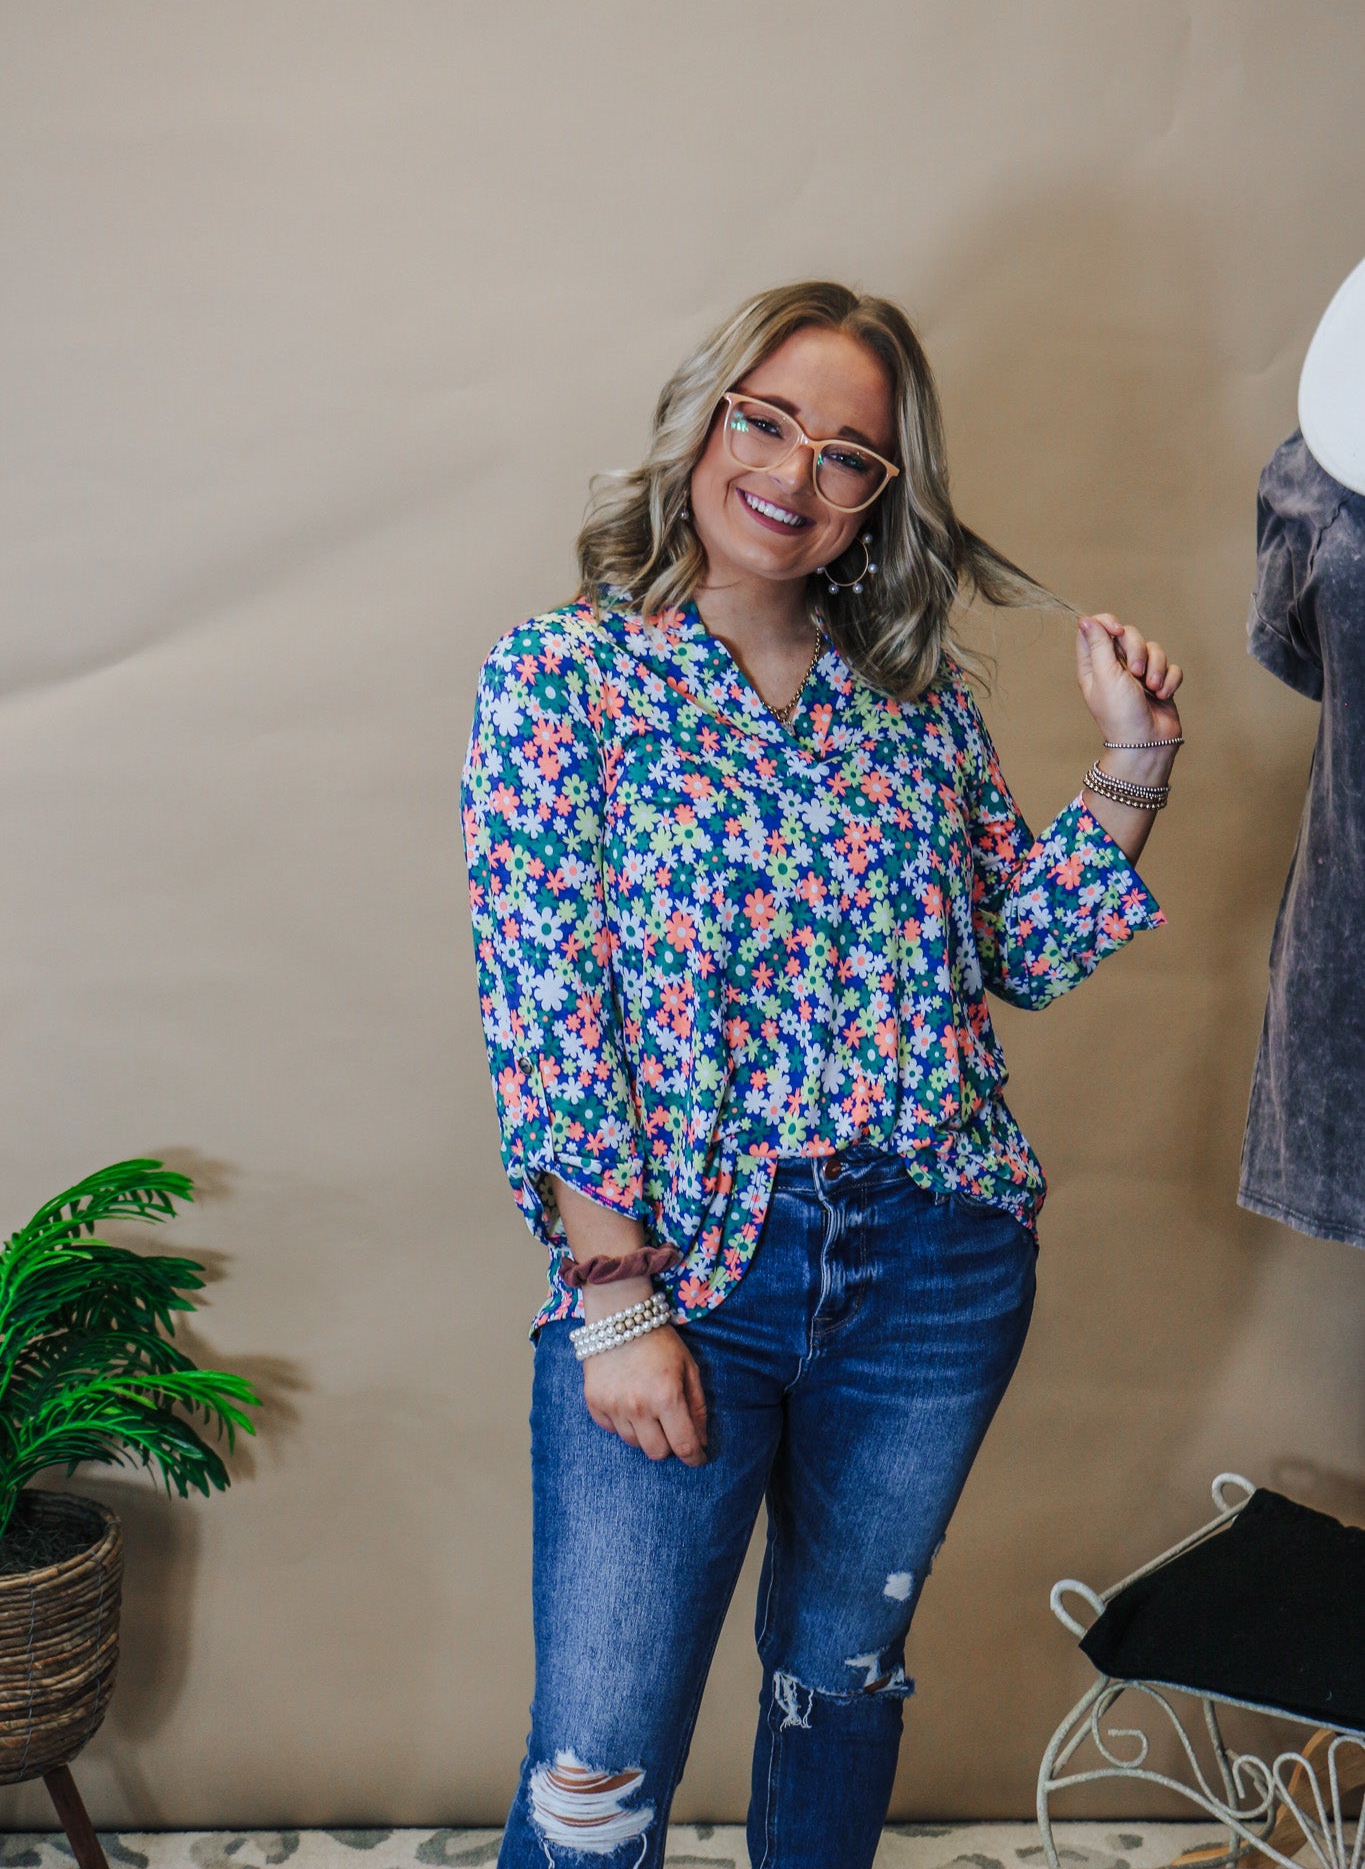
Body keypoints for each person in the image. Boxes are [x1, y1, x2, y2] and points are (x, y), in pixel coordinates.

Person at [461, 281, 1183, 1869]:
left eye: (847, 452)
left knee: (840, 1688)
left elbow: (1023, 953)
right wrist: (615, 1299)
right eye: (767, 420)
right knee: (595, 1763)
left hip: (931, 1262)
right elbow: (547, 1007)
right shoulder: (561, 680)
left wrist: (1133, 760)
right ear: (703, 420)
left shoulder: (915, 707)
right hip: (683, 1269)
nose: (794, 472)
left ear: (881, 496)